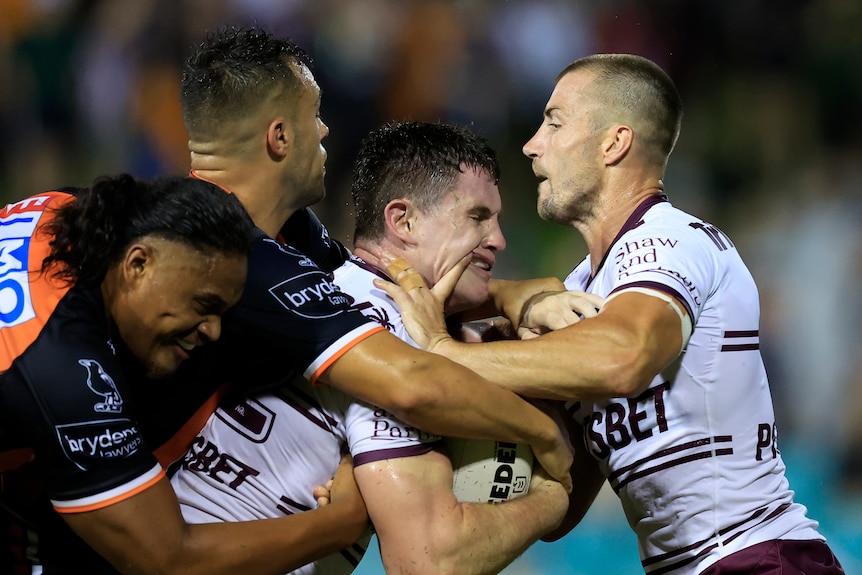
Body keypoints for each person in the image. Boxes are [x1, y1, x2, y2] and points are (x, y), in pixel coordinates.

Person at [378, 54, 845, 574]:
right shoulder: (580, 291)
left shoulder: (671, 241)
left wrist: (442, 359)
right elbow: (563, 506)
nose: (533, 144)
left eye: (554, 123)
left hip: (756, 557)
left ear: (613, 143)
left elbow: (624, 358)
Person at [170, 120, 570, 575]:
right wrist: (552, 499)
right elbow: (430, 561)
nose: (498, 239)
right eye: (478, 217)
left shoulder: (334, 287)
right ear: (404, 220)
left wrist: (521, 297)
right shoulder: (387, 334)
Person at [177, 28, 571, 483]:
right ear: (280, 136)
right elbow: (412, 386)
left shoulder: (281, 228)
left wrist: (514, 297)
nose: (325, 128)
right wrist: (544, 435)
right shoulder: (231, 253)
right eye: (315, 114)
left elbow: (381, 280)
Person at [0, 175, 359, 575]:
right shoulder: (63, 372)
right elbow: (169, 559)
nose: (213, 329)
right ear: (138, 264)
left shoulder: (64, 208)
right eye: (204, 304)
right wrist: (342, 522)